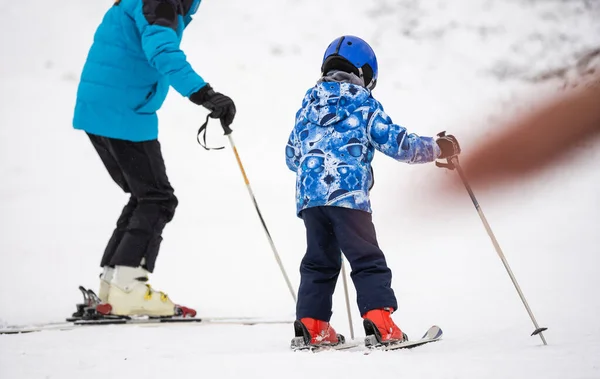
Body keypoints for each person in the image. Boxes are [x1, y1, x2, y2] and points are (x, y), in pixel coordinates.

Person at [285, 35, 461, 348]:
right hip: (349, 198)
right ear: (366, 74)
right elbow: (400, 145)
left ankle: (313, 325)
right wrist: (437, 148)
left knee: (319, 261)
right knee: (366, 258)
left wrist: (316, 166)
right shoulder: (364, 106)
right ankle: (381, 321)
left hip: (311, 201)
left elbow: (291, 156)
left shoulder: (307, 107)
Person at [72, 0, 236, 318]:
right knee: (158, 199)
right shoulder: (160, 2)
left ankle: (112, 286)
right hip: (123, 111)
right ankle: (128, 288)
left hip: (103, 109)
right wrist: (204, 94)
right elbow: (162, 50)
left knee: (146, 195)